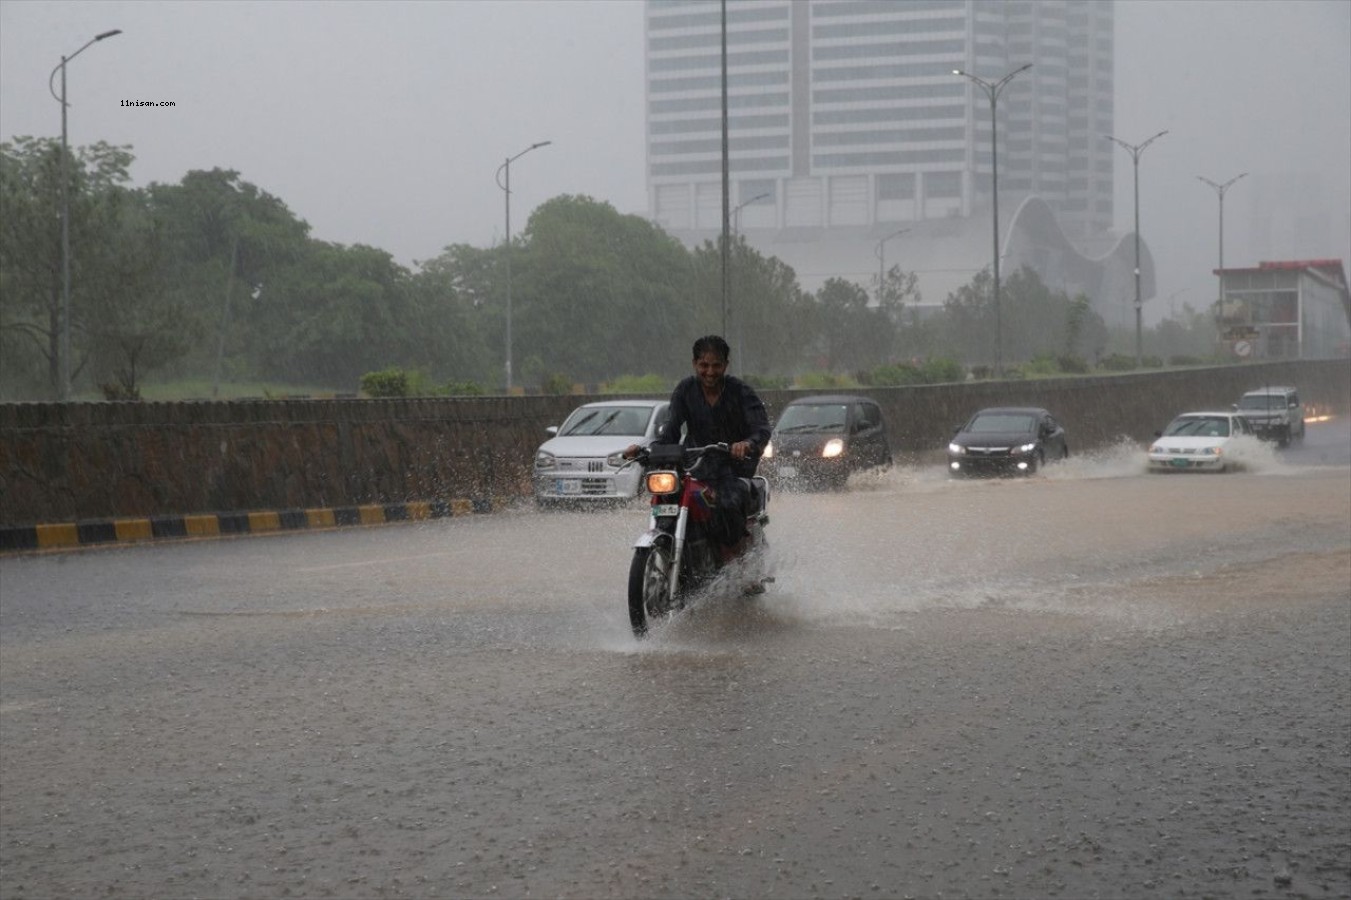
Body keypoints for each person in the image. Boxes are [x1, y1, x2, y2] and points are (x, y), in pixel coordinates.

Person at [625, 335, 772, 548]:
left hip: (731, 469)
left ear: (725, 365)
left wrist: (746, 444)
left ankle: (730, 565)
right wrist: (645, 451)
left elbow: (761, 429)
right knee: (667, 500)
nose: (710, 372)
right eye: (704, 365)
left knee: (728, 505)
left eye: (716, 365)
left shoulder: (740, 391)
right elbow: (670, 431)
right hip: (693, 466)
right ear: (694, 364)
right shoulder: (685, 390)